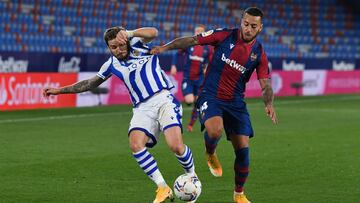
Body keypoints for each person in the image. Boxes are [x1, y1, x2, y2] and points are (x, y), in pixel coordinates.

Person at [43, 26, 198, 203]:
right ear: (108, 48)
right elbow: (88, 84)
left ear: (125, 41)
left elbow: (154, 32)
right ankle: (162, 187)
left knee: (176, 146)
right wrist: (59, 91)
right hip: (141, 108)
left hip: (163, 99)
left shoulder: (138, 43)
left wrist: (131, 33)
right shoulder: (111, 64)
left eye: (120, 45)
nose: (118, 50)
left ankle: (192, 175)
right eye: (113, 47)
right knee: (135, 144)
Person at [151, 7, 277, 203]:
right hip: (211, 95)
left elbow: (265, 83)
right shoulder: (224, 35)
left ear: (260, 28)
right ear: (241, 22)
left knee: (243, 150)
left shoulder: (259, 53)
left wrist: (269, 103)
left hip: (236, 102)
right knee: (215, 130)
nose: (248, 29)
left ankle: (239, 195)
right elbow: (192, 40)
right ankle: (210, 153)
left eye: (253, 26)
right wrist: (164, 48)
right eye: (246, 24)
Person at [170, 24, 213, 132]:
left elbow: (211, 60)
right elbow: (177, 54)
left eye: (200, 31)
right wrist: (174, 65)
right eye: (197, 30)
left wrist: (207, 67)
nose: (198, 32)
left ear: (204, 33)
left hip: (200, 79)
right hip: (188, 78)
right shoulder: (189, 45)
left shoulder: (207, 48)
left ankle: (190, 125)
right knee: (190, 100)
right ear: (194, 32)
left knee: (198, 101)